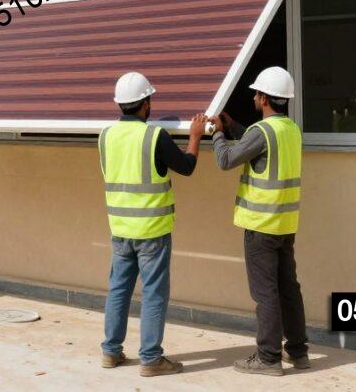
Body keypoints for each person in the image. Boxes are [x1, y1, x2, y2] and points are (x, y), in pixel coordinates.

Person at [99, 71, 208, 377]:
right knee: (153, 294)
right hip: (152, 232)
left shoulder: (105, 136)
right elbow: (186, 167)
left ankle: (110, 352)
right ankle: (150, 359)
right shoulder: (154, 136)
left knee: (118, 290)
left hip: (120, 229)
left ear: (121, 104)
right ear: (145, 104)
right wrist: (196, 136)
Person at [211, 67, 308, 377]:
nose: (253, 97)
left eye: (256, 93)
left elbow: (226, 159)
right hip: (284, 224)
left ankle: (268, 358)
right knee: (289, 289)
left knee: (265, 293)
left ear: (265, 98)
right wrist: (235, 125)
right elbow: (258, 147)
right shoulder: (290, 129)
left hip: (260, 226)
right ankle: (298, 351)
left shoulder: (261, 132)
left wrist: (217, 133)